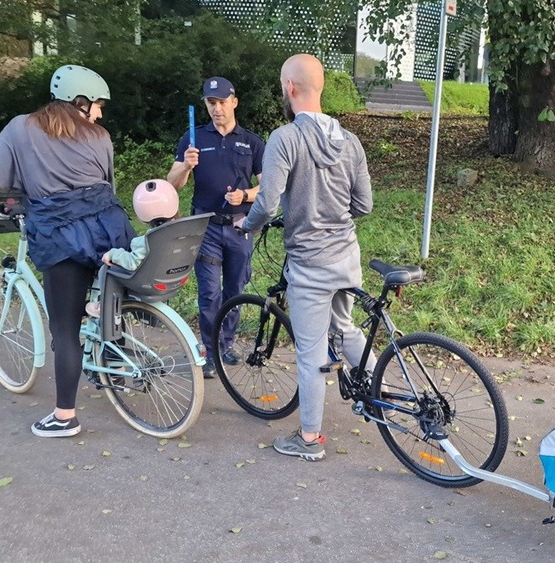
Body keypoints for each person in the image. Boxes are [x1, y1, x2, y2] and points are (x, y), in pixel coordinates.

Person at [0, 65, 135, 438]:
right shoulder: (101, 137)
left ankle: (65, 417)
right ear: (80, 101)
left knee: (64, 329)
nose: (100, 113)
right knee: (108, 298)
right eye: (98, 105)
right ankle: (117, 362)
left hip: (61, 236)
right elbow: (107, 183)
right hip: (110, 226)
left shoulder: (21, 128)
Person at [241, 54, 375, 462]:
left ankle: (311, 438)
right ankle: (378, 386)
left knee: (312, 354)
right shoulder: (349, 141)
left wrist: (247, 226)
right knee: (345, 326)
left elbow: (266, 202)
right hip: (346, 256)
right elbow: (364, 205)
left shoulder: (285, 138)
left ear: (289, 88)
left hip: (310, 262)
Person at [167, 76, 265, 379]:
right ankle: (209, 350)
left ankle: (226, 344)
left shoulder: (251, 142)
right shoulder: (193, 139)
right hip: (205, 227)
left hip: (240, 226)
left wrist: (245, 195)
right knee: (209, 293)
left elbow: (267, 188)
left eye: (222, 102)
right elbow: (172, 184)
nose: (217, 108)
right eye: (211, 103)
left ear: (234, 102)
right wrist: (185, 165)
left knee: (235, 290)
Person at [86, 179, 179, 318]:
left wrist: (113, 254)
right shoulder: (180, 231)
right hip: (172, 276)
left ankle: (103, 307)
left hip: (146, 279)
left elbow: (132, 262)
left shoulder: (151, 240)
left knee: (108, 270)